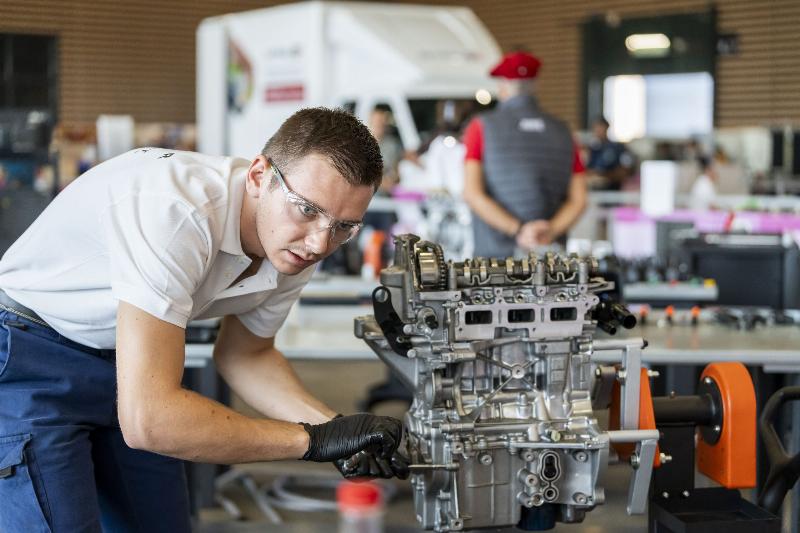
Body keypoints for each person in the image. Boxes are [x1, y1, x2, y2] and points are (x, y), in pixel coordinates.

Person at [0, 108, 408, 532]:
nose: (320, 243)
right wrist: (309, 441)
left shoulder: (293, 243)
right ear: (258, 176)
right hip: (30, 353)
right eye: (306, 209)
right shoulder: (178, 211)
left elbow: (246, 355)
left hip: (121, 357)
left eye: (344, 227)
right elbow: (149, 419)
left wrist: (339, 432)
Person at [462, 51, 587, 258]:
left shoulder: (480, 127)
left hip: (495, 260)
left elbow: (472, 193)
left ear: (503, 86)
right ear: (536, 85)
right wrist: (549, 231)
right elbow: (579, 199)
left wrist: (519, 230)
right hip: (550, 258)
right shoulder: (564, 131)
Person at [585, 117, 634, 190]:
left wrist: (605, 176)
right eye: (595, 128)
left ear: (606, 127)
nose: (598, 130)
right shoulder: (592, 149)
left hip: (612, 190)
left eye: (600, 127)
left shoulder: (618, 147)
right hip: (594, 190)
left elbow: (626, 171)